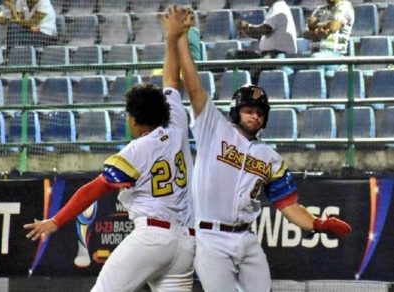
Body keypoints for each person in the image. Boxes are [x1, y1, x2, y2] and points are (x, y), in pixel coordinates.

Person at [164, 6, 352, 292]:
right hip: (209, 237)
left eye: (260, 112)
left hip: (247, 239)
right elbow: (193, 88)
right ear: (236, 111)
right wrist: (179, 39)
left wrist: (317, 224)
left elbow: (289, 207)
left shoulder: (271, 159)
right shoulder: (212, 128)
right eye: (249, 110)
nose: (254, 116)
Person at [23, 6, 196, 291]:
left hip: (153, 237)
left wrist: (55, 221)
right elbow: (171, 80)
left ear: (136, 119)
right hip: (186, 243)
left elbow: (91, 190)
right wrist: (174, 38)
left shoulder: (138, 149)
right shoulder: (176, 121)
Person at [232, 0, 297, 80]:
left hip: (276, 55)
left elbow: (266, 29)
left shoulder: (279, 7)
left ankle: (254, 88)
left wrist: (247, 26)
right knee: (233, 55)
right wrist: (245, 30)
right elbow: (261, 35)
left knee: (258, 66)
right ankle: (236, 86)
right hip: (267, 54)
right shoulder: (273, 9)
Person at [303, 0, 355, 76]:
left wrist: (315, 26)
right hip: (314, 53)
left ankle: (316, 87)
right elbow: (305, 33)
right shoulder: (319, 9)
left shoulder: (345, 6)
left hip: (336, 55)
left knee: (316, 59)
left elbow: (333, 27)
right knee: (284, 63)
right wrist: (317, 32)